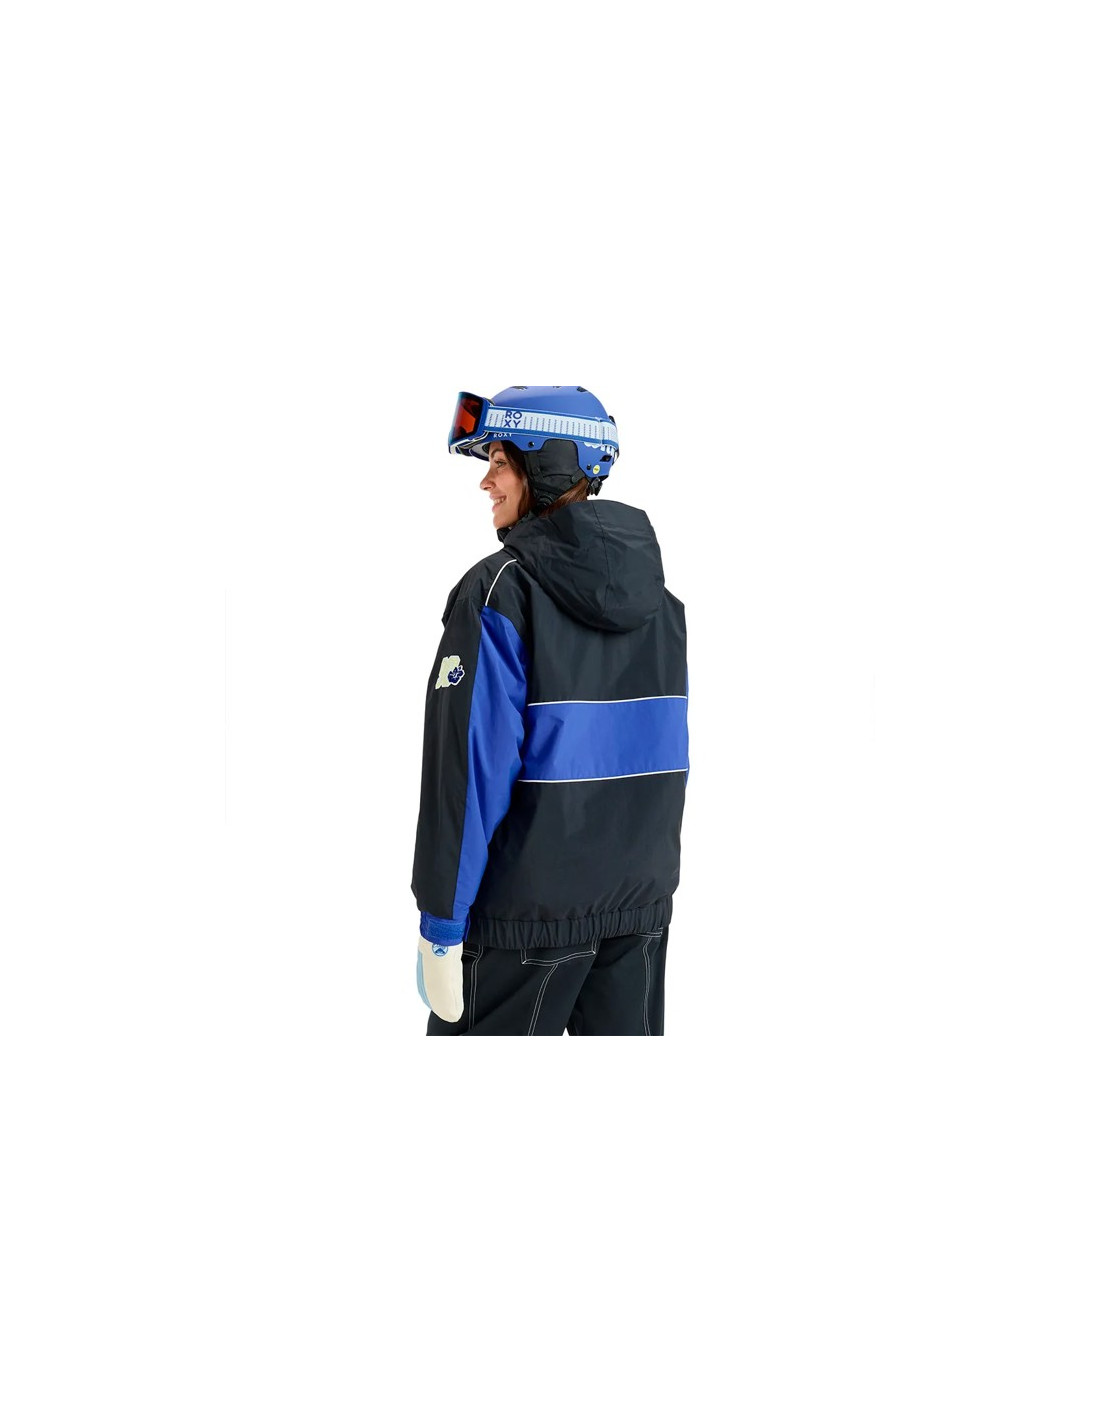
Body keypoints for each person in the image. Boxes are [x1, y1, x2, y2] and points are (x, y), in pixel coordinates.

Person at [411, 386, 688, 1035]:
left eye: (498, 462)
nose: (485, 483)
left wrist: (441, 924)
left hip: (522, 921)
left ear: (547, 466)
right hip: (638, 916)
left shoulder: (499, 593)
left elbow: (468, 776)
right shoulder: (661, 604)